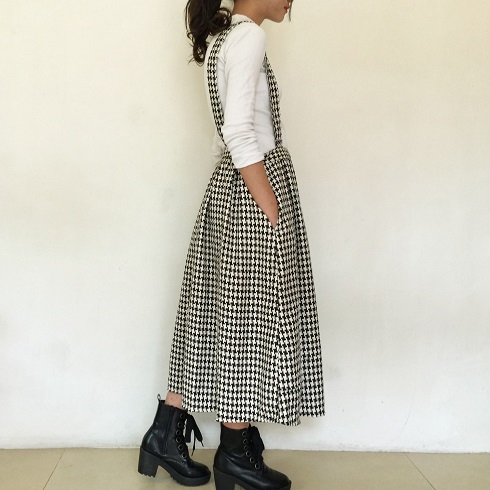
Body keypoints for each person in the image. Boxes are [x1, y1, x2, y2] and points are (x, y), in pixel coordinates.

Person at [137, 1, 325, 488]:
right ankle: (236, 453)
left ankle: (165, 433)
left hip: (230, 189)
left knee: (215, 319)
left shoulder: (224, 38)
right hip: (252, 189)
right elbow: (240, 131)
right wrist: (272, 208)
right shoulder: (248, 38)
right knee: (249, 325)